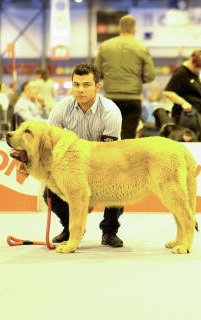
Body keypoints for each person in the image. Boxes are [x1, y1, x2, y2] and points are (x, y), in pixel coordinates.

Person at [44, 63, 125, 247]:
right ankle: (71, 228)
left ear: (97, 86)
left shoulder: (111, 112)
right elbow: (49, 144)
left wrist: (88, 197)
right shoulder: (61, 108)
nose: (80, 90)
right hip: (70, 168)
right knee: (49, 191)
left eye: (86, 85)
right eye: (76, 84)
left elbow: (108, 156)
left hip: (103, 165)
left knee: (118, 186)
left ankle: (109, 231)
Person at [94, 14, 156, 139]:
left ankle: (108, 158)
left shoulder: (105, 46)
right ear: (135, 30)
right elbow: (150, 75)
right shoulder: (142, 47)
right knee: (128, 138)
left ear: (119, 29)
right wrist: (137, 79)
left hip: (110, 99)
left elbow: (96, 73)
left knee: (109, 136)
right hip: (133, 99)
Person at [163, 50, 201, 141]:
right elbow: (167, 92)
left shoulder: (195, 73)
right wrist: (183, 102)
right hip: (184, 116)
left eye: (200, 67)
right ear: (191, 59)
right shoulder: (181, 73)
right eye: (196, 66)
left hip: (196, 114)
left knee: (200, 142)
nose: (198, 69)